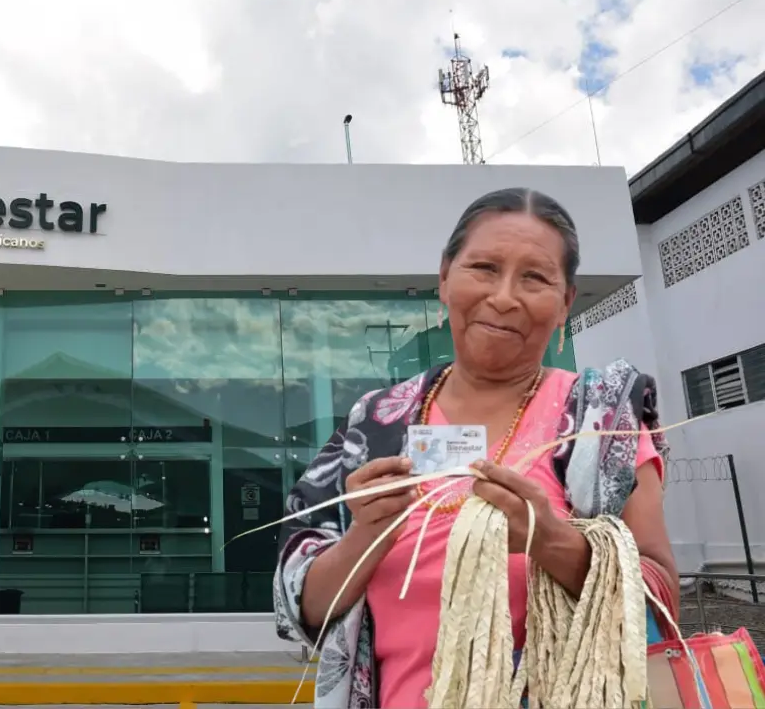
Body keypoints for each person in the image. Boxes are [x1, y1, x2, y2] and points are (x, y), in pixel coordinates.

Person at [274, 188, 679, 708]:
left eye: (534, 277)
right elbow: (306, 610)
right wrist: (366, 535)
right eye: (484, 267)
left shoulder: (600, 421)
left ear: (565, 303)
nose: (505, 296)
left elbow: (662, 602)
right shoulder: (375, 422)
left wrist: (552, 541)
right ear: (445, 277)